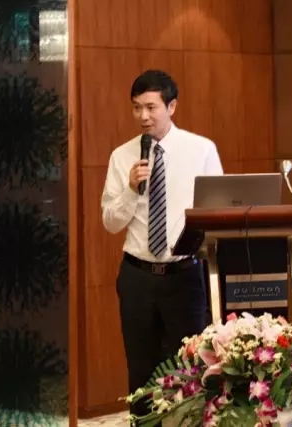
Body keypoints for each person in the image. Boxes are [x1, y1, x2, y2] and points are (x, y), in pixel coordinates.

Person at [100, 69, 223, 424]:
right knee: (141, 369)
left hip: (185, 275)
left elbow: (219, 212)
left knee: (192, 368)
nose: (143, 116)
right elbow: (110, 222)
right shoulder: (121, 156)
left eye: (151, 107)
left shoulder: (201, 150)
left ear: (172, 106)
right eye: (136, 107)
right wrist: (130, 190)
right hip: (137, 277)